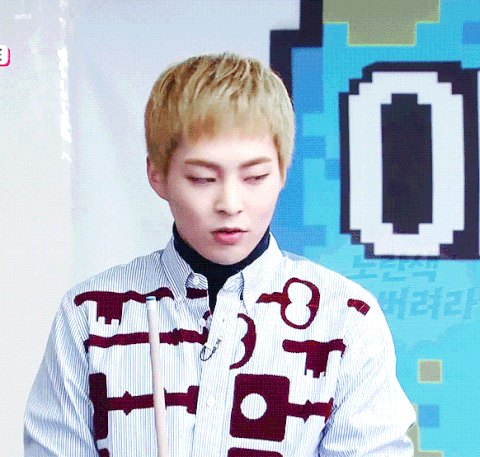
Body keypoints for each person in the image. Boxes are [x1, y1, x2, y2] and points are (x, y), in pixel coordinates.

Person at [24, 52, 415, 456]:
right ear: (157, 175)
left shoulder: (345, 321)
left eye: (255, 177)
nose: (230, 204)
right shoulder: (89, 316)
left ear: (283, 171)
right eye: (202, 178)